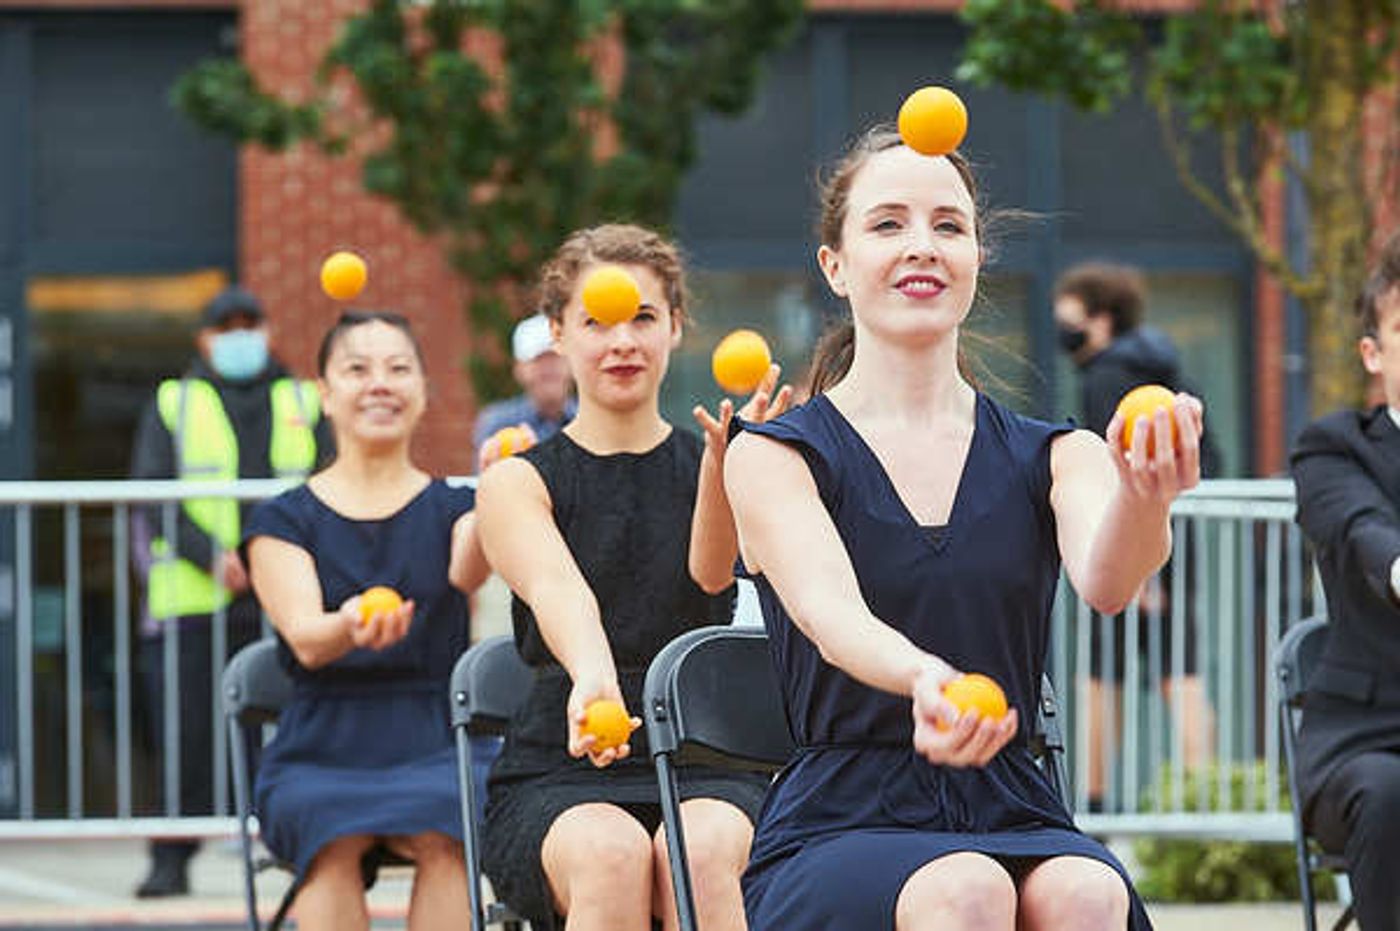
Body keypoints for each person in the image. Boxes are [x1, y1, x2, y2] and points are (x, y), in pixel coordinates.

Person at [724, 127, 1205, 930]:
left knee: (1089, 892)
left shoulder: (1059, 453)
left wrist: (1147, 493)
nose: (923, 244)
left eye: (948, 225)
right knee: (966, 888)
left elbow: (1111, 580)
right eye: (888, 223)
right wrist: (927, 680)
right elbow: (831, 615)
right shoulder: (775, 454)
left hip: (1011, 798)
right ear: (835, 266)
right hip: (843, 812)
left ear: (978, 258)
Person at [475, 223, 793, 931]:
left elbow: (710, 575)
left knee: (698, 852)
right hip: (561, 764)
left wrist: (726, 469)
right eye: (598, 322)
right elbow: (559, 589)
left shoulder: (717, 459)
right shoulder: (515, 482)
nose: (622, 341)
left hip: (708, 755)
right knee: (611, 855)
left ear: (675, 326)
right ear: (558, 333)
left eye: (643, 318)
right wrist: (594, 679)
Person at [241, 310, 490, 930]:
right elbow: (305, 638)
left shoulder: (460, 508)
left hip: (436, 735)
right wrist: (348, 626)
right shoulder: (283, 519)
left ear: (424, 391)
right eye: (357, 369)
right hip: (320, 744)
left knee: (450, 833)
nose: (380, 383)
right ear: (324, 394)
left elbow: (470, 569)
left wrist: (503, 488)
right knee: (329, 840)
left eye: (398, 368)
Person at [129, 285, 331, 897]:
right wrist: (213, 558)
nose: (240, 337)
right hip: (197, 600)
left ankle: (300, 846)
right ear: (204, 338)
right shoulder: (175, 401)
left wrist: (270, 556)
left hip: (284, 595)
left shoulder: (303, 398)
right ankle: (171, 859)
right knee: (185, 735)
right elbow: (154, 491)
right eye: (226, 327)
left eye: (250, 324)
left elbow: (326, 482)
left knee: (291, 729)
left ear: (268, 331)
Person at [1053, 262, 1218, 809]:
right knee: (1182, 672)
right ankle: (1206, 803)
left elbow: (1112, 467)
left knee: (1101, 678)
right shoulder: (1167, 371)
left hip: (1126, 545)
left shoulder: (1106, 377)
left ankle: (1096, 806)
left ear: (1101, 321)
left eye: (1069, 322)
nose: (1063, 333)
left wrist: (1142, 573)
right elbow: (1209, 456)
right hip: (1177, 540)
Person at [1290, 232, 1400, 931]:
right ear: (1374, 352)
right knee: (1391, 793)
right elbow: (1361, 528)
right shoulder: (1333, 446)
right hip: (1365, 743)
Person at [473, 312, 577, 468]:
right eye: (538, 360)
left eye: (556, 357)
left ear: (572, 364)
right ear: (519, 369)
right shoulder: (498, 423)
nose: (549, 367)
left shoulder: (592, 420)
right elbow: (484, 480)